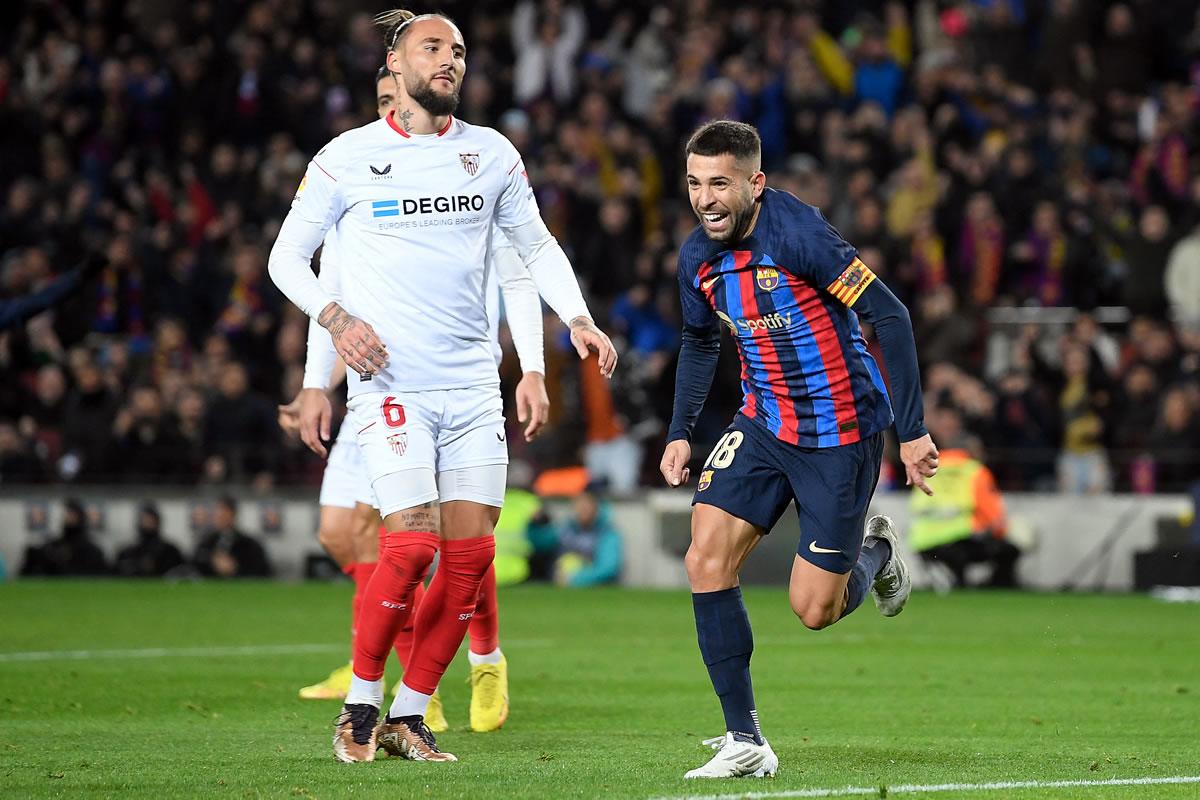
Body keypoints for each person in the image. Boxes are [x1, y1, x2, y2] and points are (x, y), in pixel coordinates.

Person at [268, 9, 616, 763]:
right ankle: (360, 704)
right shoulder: (345, 157)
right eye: (432, 47)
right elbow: (287, 260)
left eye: (457, 49)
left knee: (469, 556)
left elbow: (537, 249)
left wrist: (577, 320)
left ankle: (411, 713)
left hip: (471, 389)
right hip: (392, 383)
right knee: (412, 543)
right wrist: (333, 321)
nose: (449, 58)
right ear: (395, 64)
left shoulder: (490, 155)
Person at [282, 66, 556, 735]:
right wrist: (318, 384)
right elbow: (330, 289)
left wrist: (532, 364)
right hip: (376, 388)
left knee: (449, 539)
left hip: (454, 384)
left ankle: (470, 663)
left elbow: (521, 271)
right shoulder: (350, 181)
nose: (391, 114)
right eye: (380, 103)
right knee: (348, 532)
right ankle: (387, 676)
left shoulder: (470, 183)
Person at [659, 121, 937, 779]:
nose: (706, 199)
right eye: (696, 184)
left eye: (720, 183)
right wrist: (679, 430)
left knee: (814, 608)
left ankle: (878, 552)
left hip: (842, 435)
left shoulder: (800, 237)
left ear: (755, 183)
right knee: (705, 558)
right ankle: (744, 739)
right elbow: (701, 343)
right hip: (762, 423)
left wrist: (913, 429)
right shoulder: (697, 257)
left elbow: (889, 315)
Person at [909, 409, 1019, 589]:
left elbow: (915, 504)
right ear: (972, 451)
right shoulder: (974, 471)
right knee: (1009, 551)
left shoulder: (927, 468)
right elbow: (993, 515)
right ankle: (992, 589)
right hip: (959, 539)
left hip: (923, 541)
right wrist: (999, 532)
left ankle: (953, 584)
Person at [551, 483, 622, 587]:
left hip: (597, 591)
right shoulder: (566, 529)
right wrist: (536, 524)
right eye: (579, 503)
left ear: (596, 507)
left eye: (587, 503)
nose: (583, 508)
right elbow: (542, 542)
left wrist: (575, 578)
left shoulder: (607, 533)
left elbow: (609, 568)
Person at [20, 498, 110, 576]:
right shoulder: (54, 546)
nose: (68, 517)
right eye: (67, 514)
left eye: (72, 514)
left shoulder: (91, 550)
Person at [192, 496, 273, 578]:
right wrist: (212, 561)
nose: (219, 515)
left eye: (224, 512)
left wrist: (235, 568)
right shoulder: (206, 542)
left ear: (233, 515)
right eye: (217, 512)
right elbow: (195, 564)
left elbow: (262, 571)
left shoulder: (249, 545)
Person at [114, 503, 185, 578]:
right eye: (145, 519)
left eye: (151, 519)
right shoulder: (127, 553)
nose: (148, 522)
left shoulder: (171, 552)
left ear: (158, 521)